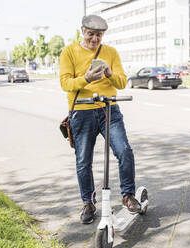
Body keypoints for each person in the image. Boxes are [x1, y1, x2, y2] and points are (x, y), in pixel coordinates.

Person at [59, 14, 141, 224]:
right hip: (82, 111)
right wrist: (86, 78)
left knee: (124, 151)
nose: (94, 39)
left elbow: (122, 82)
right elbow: (65, 83)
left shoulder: (111, 52)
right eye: (90, 34)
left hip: (109, 109)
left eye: (99, 35)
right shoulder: (69, 51)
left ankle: (128, 195)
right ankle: (88, 202)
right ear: (82, 32)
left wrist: (109, 74)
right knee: (83, 161)